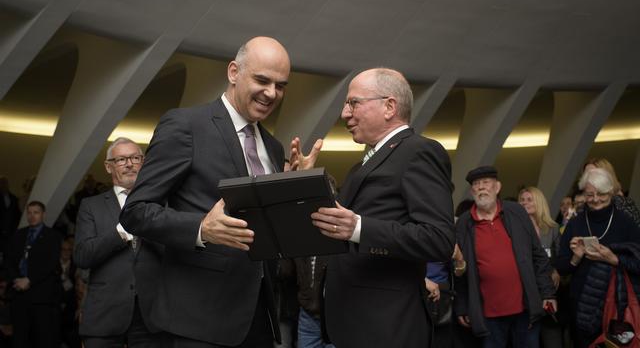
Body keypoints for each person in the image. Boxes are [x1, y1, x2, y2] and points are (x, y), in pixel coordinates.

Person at [120, 36, 320, 348]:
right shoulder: (185, 125)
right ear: (233, 72)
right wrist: (201, 229)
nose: (271, 93)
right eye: (262, 80)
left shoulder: (273, 146)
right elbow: (135, 211)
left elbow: (271, 232)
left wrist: (293, 190)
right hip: (197, 318)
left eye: (280, 85)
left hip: (258, 317)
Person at [308, 68, 455, 347]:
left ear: (389, 106)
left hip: (388, 326)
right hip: (356, 323)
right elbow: (338, 226)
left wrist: (360, 228)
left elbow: (439, 239)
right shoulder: (360, 165)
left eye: (353, 103)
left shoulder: (419, 152)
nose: (345, 113)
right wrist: (303, 185)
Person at [73, 137, 162, 347]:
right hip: (105, 314)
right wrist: (120, 233)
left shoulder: (161, 202)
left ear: (144, 162)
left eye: (135, 158)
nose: (129, 164)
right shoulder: (91, 206)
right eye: (121, 159)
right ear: (108, 166)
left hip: (152, 317)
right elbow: (82, 255)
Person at [453, 166, 556, 348]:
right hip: (488, 314)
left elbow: (538, 256)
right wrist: (462, 305)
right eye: (476, 184)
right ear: (472, 191)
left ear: (497, 187)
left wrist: (547, 292)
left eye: (486, 183)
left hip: (525, 309)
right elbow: (460, 270)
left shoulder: (516, 212)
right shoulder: (464, 223)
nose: (481, 188)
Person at [555, 167, 640, 347]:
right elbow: (561, 267)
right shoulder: (575, 223)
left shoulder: (625, 222)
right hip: (582, 307)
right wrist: (575, 258)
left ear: (610, 192)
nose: (595, 199)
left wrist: (613, 259)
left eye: (601, 194)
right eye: (589, 194)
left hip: (617, 306)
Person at [5, 201, 63, 347]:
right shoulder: (18, 234)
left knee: (42, 338)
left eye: (36, 212)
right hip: (18, 295)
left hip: (41, 297)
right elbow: (8, 260)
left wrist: (29, 280)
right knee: (19, 338)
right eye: (29, 213)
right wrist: (16, 279)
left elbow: (50, 264)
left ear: (43, 215)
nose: (32, 216)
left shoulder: (53, 236)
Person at [518, 186, 563, 348]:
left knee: (552, 339)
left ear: (539, 202)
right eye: (522, 200)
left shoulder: (552, 229)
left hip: (550, 291)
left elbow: (560, 256)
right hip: (526, 294)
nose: (524, 203)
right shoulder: (515, 230)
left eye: (529, 200)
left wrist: (556, 270)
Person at [583, 157, 640, 228]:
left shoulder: (622, 204)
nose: (589, 179)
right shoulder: (584, 206)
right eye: (586, 175)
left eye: (594, 174)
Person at [0, 176, 21, 261]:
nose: (3, 185)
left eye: (5, 183)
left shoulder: (14, 198)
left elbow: (17, 215)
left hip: (11, 231)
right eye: (1, 183)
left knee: (9, 253)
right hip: (0, 231)